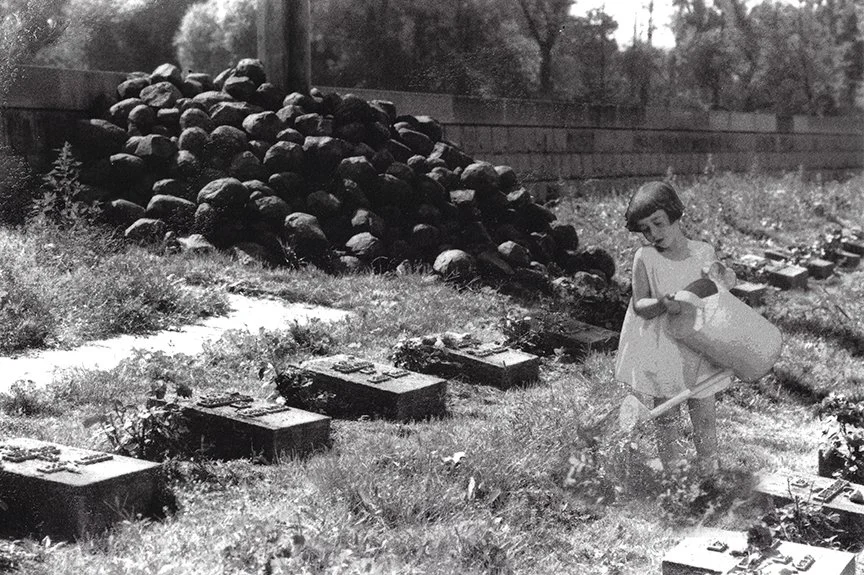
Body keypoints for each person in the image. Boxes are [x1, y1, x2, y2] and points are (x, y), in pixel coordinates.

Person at [614, 181, 732, 476]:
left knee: (703, 409)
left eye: (658, 223)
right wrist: (663, 303)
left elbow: (716, 294)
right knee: (666, 413)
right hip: (663, 348)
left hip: (698, 345)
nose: (653, 234)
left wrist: (722, 282)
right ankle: (674, 472)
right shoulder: (645, 258)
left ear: (676, 216)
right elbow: (640, 304)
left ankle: (709, 468)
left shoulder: (703, 252)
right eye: (645, 229)